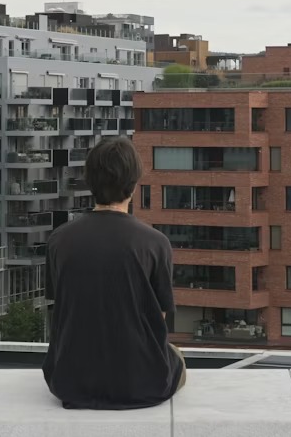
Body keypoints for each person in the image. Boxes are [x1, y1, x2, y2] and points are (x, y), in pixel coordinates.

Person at [42, 136, 186, 409]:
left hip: (70, 382)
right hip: (143, 383)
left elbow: (61, 306)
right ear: (134, 184)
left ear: (90, 182)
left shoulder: (59, 240)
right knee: (176, 356)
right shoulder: (155, 243)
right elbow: (158, 318)